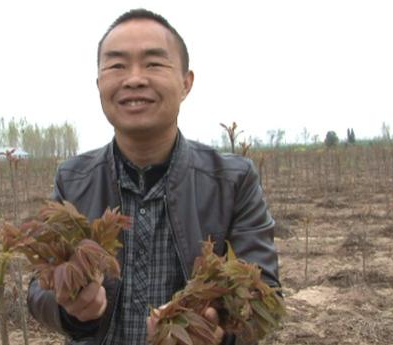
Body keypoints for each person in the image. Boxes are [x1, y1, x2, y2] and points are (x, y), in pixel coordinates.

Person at [27, 8, 280, 345]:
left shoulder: (233, 181)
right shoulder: (73, 178)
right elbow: (38, 288)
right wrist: (70, 309)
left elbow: (267, 296)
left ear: (186, 83)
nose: (134, 78)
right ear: (99, 83)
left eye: (153, 63)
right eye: (117, 65)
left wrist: (217, 330)